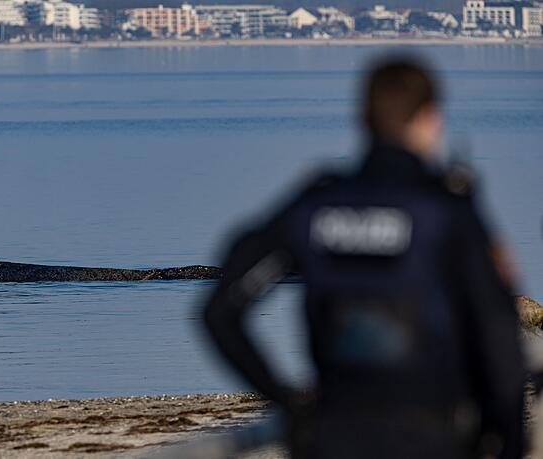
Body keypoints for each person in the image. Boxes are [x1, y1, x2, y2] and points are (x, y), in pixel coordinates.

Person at [202, 58, 527, 459]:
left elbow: (220, 312)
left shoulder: (315, 206)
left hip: (334, 430)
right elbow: (495, 331)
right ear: (429, 118)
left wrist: (287, 401)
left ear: (363, 119)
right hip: (432, 432)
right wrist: (510, 435)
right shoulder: (444, 211)